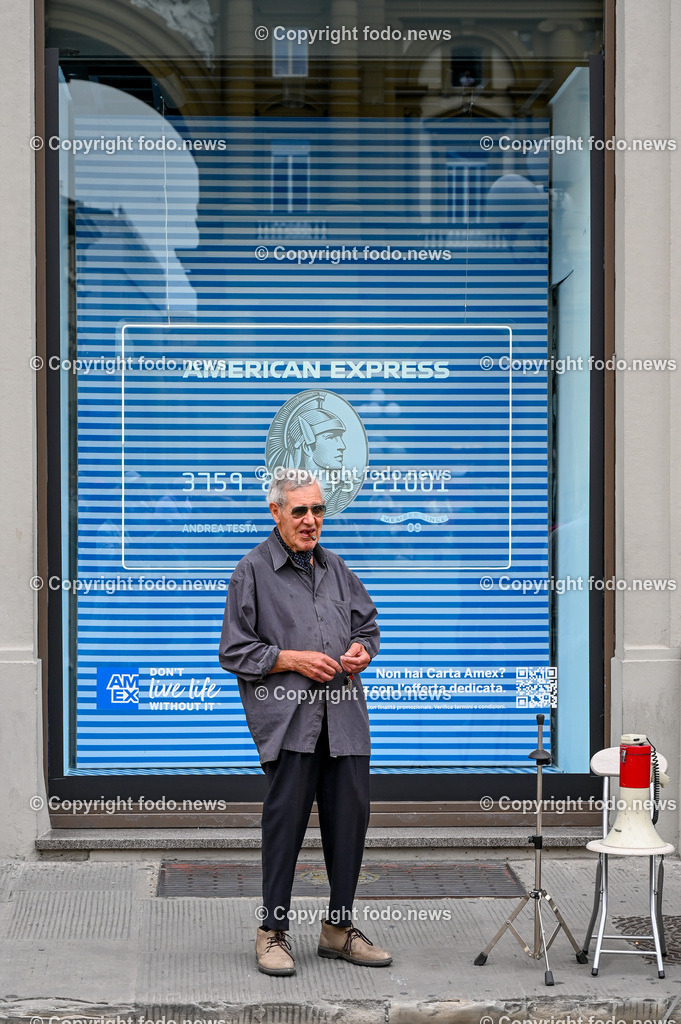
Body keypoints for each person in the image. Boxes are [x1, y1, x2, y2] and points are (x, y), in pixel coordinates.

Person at [218, 467, 392, 976]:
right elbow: (234, 651)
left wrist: (362, 650)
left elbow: (367, 626)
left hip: (345, 719)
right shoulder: (251, 571)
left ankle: (338, 929)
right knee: (285, 827)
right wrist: (290, 659)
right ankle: (272, 932)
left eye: (318, 510)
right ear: (276, 512)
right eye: (300, 511)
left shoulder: (336, 567)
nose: (311, 520)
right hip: (291, 722)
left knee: (350, 825)